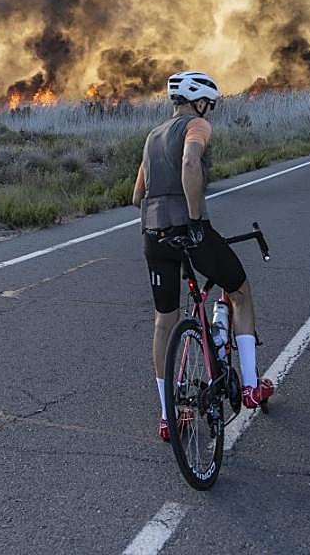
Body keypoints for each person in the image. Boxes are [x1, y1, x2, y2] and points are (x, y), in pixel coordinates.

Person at [132, 70, 273, 442]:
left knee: (165, 322)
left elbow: (137, 195)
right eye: (209, 104)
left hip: (153, 234)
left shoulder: (153, 135)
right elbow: (191, 163)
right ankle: (250, 387)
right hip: (188, 231)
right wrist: (194, 220)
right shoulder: (195, 125)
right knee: (241, 292)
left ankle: (167, 416)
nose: (209, 110)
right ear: (199, 101)